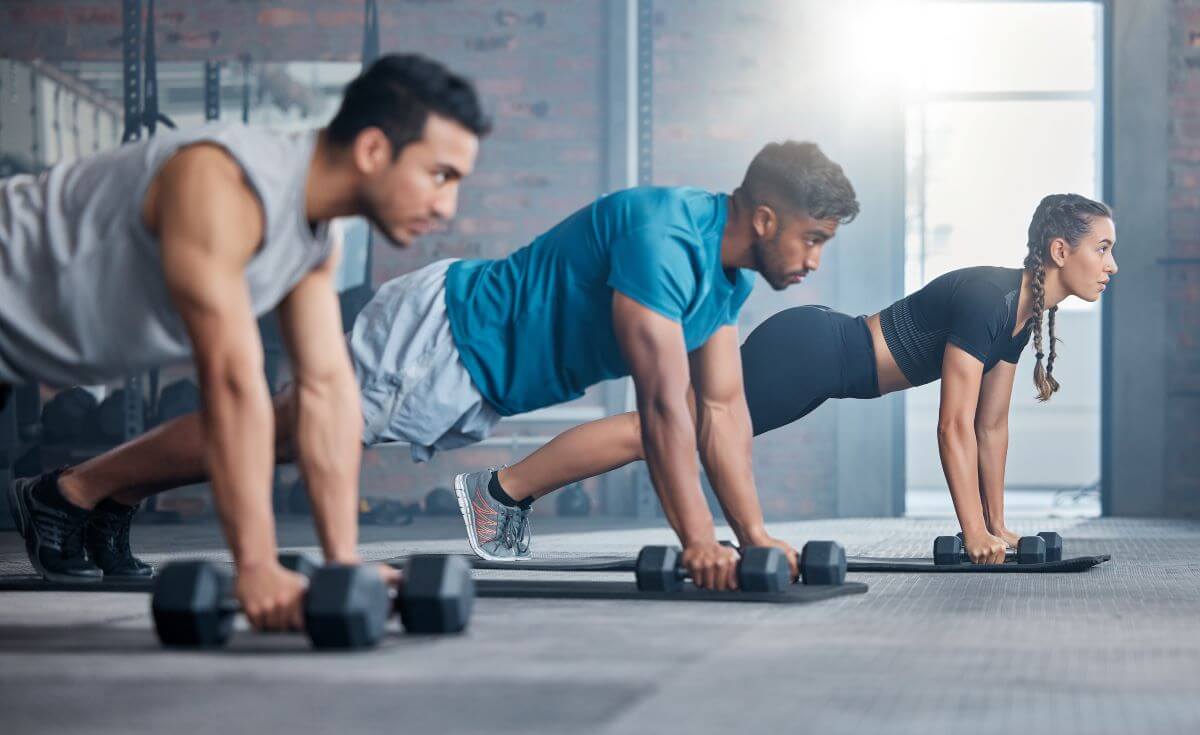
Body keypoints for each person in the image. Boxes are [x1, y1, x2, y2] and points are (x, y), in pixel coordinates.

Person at [21, 140, 860, 591]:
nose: (815, 261)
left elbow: (724, 415)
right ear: (762, 216)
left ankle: (101, 495)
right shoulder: (664, 239)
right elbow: (665, 412)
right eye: (813, 240)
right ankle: (72, 492)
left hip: (469, 363)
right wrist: (698, 542)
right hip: (444, 337)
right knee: (279, 432)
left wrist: (749, 536)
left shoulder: (724, 282)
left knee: (274, 433)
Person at [3, 54, 489, 630]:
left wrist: (343, 564)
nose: (446, 206)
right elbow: (233, 384)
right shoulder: (222, 181)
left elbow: (326, 392)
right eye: (441, 175)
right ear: (374, 150)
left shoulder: (313, 239)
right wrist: (255, 566)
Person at [490, 194, 1116, 565]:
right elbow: (952, 424)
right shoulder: (990, 297)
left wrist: (996, 527)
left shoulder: (1022, 312)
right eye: (1103, 249)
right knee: (663, 431)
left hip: (824, 358)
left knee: (668, 429)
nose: (1112, 265)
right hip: (813, 353)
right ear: (1060, 252)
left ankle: (506, 491)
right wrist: (972, 531)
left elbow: (991, 426)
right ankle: (500, 491)